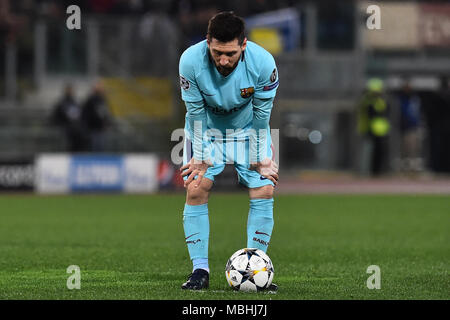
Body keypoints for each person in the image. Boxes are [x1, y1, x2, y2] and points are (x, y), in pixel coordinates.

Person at [178, 11, 279, 290]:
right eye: (217, 52)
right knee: (196, 187)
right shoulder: (190, 61)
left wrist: (261, 158)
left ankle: (256, 266)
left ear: (243, 45)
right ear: (207, 42)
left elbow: (262, 115)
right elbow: (195, 112)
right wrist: (199, 156)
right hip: (206, 131)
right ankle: (200, 271)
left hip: (249, 131)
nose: (223, 60)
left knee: (265, 189)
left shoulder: (263, 64)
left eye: (231, 54)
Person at [356, 78, 390, 176]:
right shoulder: (367, 101)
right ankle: (366, 171)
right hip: (369, 129)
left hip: (380, 130)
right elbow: (370, 114)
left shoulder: (379, 101)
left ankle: (377, 171)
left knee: (379, 152)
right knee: (369, 152)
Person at [50, 84, 87, 152]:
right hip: (66, 129)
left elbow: (79, 115)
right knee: (68, 145)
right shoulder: (62, 103)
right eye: (69, 90)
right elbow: (56, 116)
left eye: (71, 90)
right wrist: (61, 124)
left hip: (76, 129)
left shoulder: (75, 102)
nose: (70, 91)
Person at [80, 81, 111, 152]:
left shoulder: (103, 100)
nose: (101, 89)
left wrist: (107, 123)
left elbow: (105, 113)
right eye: (99, 87)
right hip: (93, 128)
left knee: (101, 146)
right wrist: (86, 126)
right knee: (94, 146)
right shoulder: (91, 100)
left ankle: (99, 160)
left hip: (101, 128)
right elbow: (85, 114)